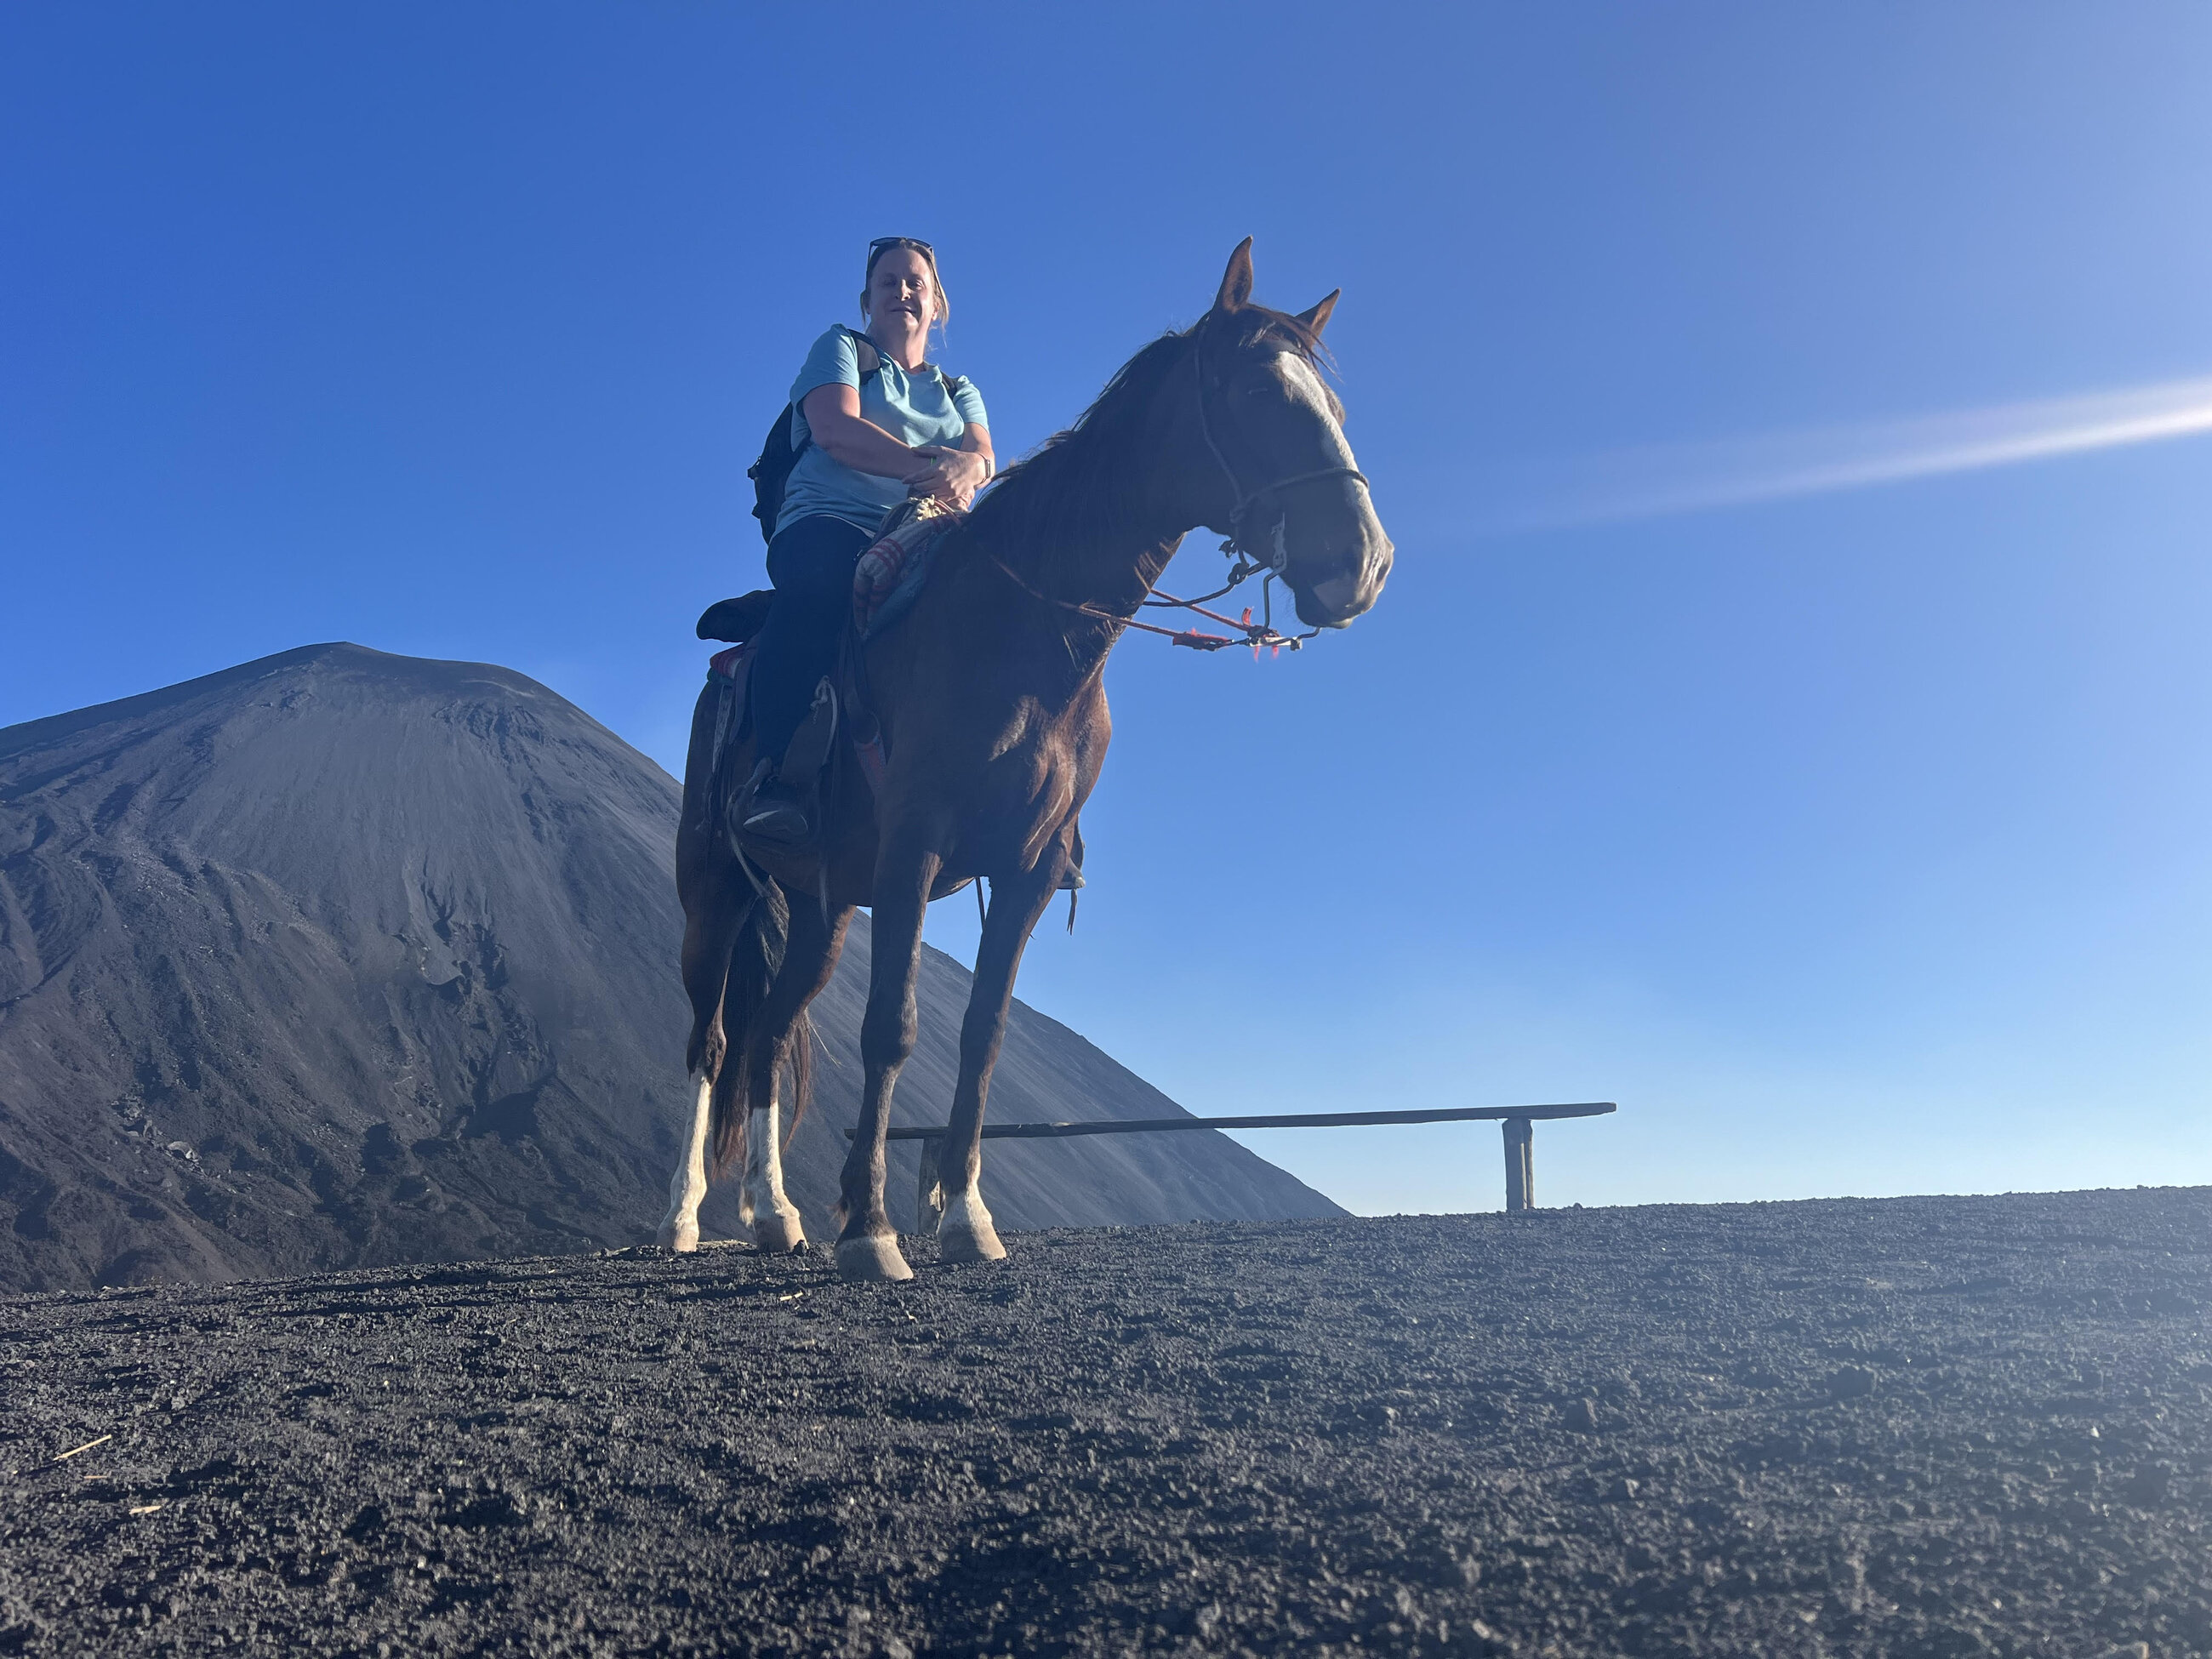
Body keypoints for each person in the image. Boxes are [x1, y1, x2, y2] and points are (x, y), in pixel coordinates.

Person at [742, 237, 993, 842]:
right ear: (868, 300)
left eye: (916, 284)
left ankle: (1024, 801)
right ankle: (775, 778)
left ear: (937, 305)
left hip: (927, 530)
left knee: (1005, 612)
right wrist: (928, 468)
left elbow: (983, 456)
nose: (903, 292)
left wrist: (972, 469)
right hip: (830, 519)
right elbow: (832, 428)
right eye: (889, 282)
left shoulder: (959, 390)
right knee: (822, 589)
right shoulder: (842, 349)